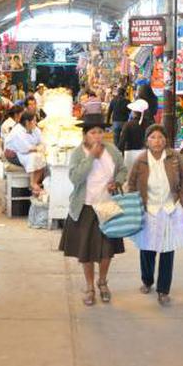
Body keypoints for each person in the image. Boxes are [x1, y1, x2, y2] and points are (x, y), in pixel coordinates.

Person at [58, 114, 127, 306]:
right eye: (93, 132)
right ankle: (89, 287)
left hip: (107, 205)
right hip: (85, 207)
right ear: (85, 135)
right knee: (85, 251)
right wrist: (91, 157)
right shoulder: (78, 153)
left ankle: (102, 281)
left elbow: (123, 169)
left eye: (100, 132)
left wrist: (117, 182)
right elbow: (75, 178)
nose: (97, 136)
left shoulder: (112, 150)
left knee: (107, 250)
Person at [126, 125, 183, 306]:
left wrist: (181, 201)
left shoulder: (175, 158)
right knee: (147, 249)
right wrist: (135, 205)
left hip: (169, 209)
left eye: (160, 137)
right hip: (148, 210)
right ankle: (147, 280)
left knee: (167, 250)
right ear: (147, 141)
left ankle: (163, 290)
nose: (157, 141)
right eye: (153, 137)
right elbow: (131, 184)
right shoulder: (141, 161)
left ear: (165, 140)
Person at [3, 111, 47, 195]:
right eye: (34, 121)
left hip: (26, 151)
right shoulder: (18, 131)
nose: (36, 123)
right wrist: (37, 148)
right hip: (14, 154)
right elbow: (25, 148)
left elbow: (41, 140)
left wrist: (39, 147)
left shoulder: (34, 129)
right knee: (33, 157)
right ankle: (32, 183)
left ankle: (35, 182)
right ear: (27, 122)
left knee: (41, 157)